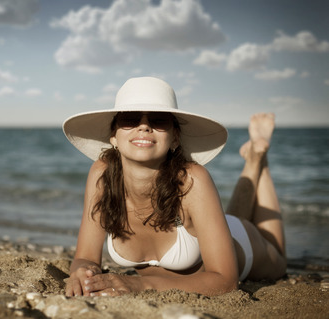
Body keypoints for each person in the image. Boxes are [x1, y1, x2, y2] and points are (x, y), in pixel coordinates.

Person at [62, 77, 286, 297]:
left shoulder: (191, 179)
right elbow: (86, 257)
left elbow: (226, 282)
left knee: (278, 259)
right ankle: (254, 160)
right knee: (231, 217)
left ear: (175, 138)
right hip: (209, 226)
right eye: (130, 118)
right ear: (113, 135)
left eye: (158, 120)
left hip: (242, 244)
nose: (144, 126)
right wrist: (84, 271)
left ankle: (259, 160)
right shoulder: (102, 174)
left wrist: (138, 285)